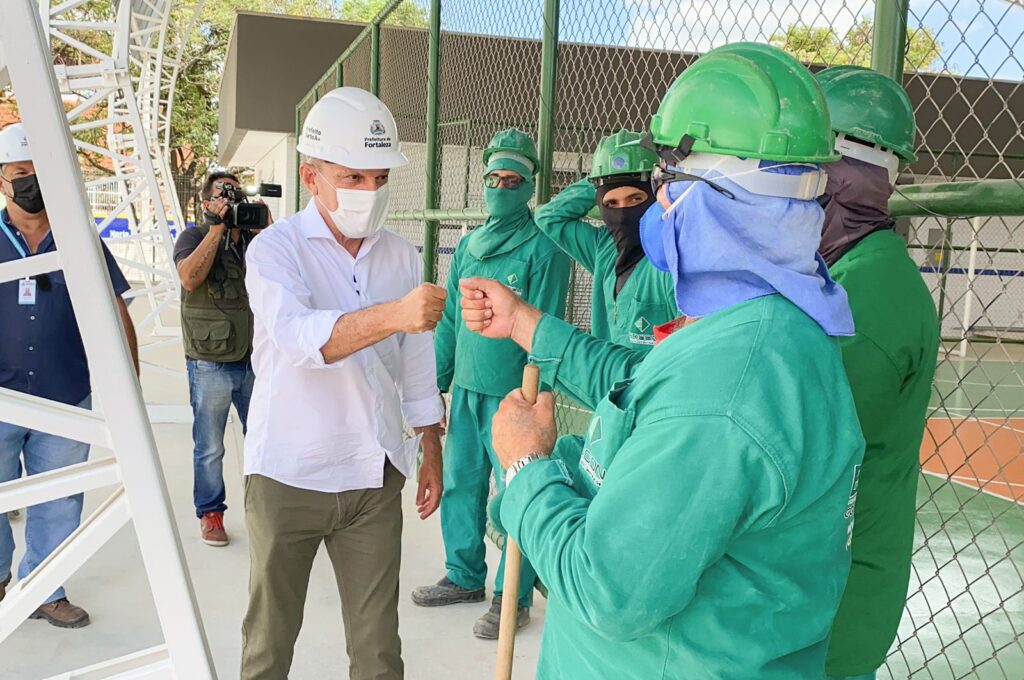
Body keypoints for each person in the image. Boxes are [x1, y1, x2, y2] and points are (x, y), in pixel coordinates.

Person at [461, 43, 866, 678]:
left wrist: (527, 470)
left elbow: (609, 593)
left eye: (669, 181)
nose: (658, 202)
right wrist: (526, 324)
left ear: (717, 191)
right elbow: (641, 386)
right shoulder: (760, 325)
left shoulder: (728, 388)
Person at [240, 87, 445, 680]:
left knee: (379, 652)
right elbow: (298, 337)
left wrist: (429, 448)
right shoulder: (276, 250)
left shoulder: (400, 256)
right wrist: (394, 314)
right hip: (288, 474)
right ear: (312, 176)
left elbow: (415, 363)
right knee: (269, 645)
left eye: (380, 178)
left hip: (373, 474)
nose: (370, 192)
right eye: (353, 176)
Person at [411, 128, 571, 639]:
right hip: (467, 390)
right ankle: (463, 575)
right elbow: (453, 319)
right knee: (461, 483)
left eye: (513, 179)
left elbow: (542, 323)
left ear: (529, 187)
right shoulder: (469, 245)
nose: (502, 186)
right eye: (494, 178)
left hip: (514, 395)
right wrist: (435, 383)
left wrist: (533, 393)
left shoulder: (543, 248)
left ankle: (513, 594)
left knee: (516, 491)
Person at [814, 65, 940, 680]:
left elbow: (796, 440)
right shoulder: (841, 271)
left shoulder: (868, 293)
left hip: (836, 591)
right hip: (827, 579)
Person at [0, 122, 138, 628]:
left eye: (40, 172)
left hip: (65, 397)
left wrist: (131, 391)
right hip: (1, 397)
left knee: (58, 500)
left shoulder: (78, 239)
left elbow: (115, 309)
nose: (31, 182)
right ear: (1, 180)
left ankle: (44, 589)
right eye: (20, 173)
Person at [173, 171, 267, 547]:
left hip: (255, 356)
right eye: (220, 194)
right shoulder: (193, 236)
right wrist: (216, 230)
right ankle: (211, 513)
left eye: (234, 194)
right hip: (209, 359)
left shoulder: (252, 239)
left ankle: (265, 511)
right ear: (206, 202)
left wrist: (266, 233)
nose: (229, 201)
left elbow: (282, 278)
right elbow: (189, 278)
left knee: (263, 438)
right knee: (210, 444)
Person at [535, 130, 675, 349]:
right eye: (610, 204)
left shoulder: (670, 259)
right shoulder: (604, 248)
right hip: (607, 380)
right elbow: (549, 218)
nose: (622, 213)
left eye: (635, 199)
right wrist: (598, 180)